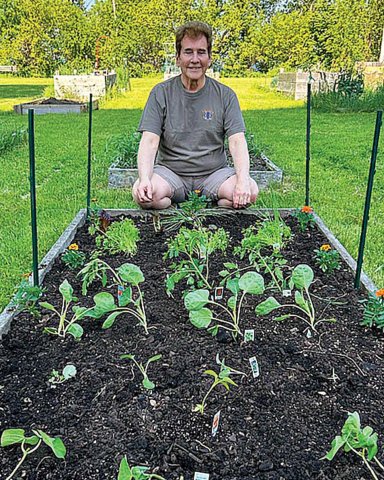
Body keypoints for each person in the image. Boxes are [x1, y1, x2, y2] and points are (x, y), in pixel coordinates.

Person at [132, 21, 258, 210]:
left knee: (251, 191)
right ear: (177, 58)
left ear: (209, 57)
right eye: (188, 52)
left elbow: (237, 141)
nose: (195, 59)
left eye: (201, 52)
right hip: (170, 175)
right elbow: (149, 141)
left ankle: (213, 199)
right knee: (143, 194)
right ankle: (175, 203)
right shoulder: (161, 93)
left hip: (214, 176)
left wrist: (242, 180)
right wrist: (144, 179)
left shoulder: (225, 95)